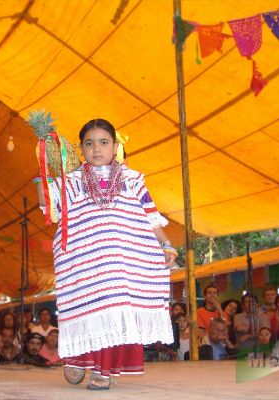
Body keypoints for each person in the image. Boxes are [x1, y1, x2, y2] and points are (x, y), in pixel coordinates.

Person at [36, 119, 175, 390]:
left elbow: (151, 215)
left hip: (122, 263)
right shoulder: (73, 181)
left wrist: (166, 244)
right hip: (87, 264)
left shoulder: (133, 180)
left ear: (115, 146)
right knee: (89, 309)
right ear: (80, 149)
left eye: (103, 142)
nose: (97, 149)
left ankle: (104, 371)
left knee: (115, 310)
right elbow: (49, 207)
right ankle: (77, 358)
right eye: (89, 143)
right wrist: (42, 175)